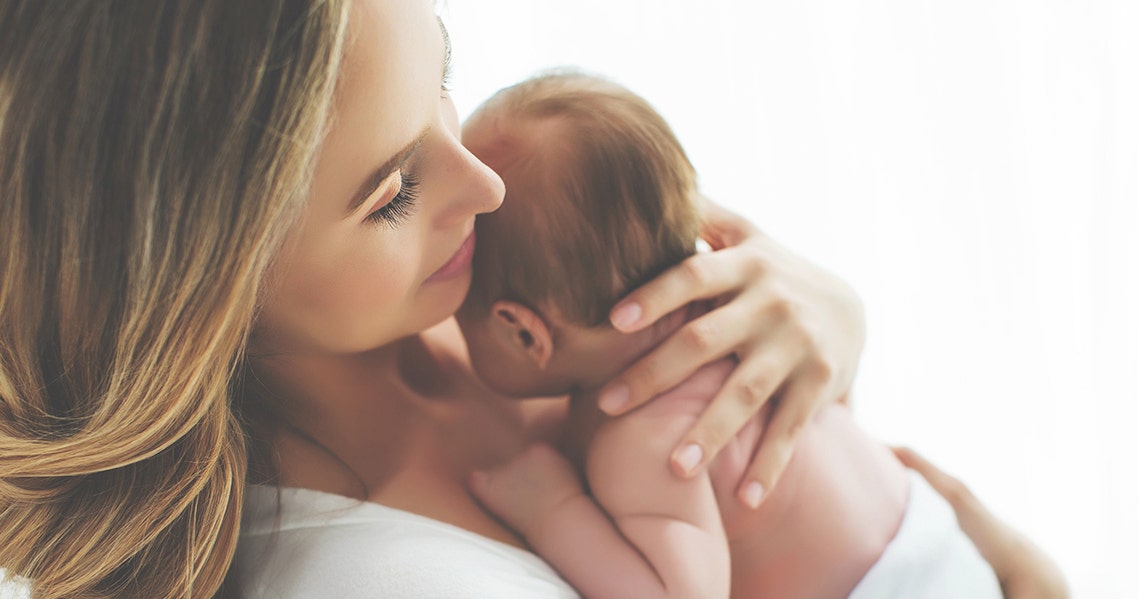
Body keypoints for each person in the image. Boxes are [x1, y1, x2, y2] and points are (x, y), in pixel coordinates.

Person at [0, 1, 1067, 598]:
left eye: (444, 82)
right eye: (393, 191)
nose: (487, 185)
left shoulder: (473, 277)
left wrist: (828, 321)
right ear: (199, 286)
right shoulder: (387, 577)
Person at [455, 71, 1003, 599]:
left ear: (523, 333)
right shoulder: (746, 311)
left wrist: (552, 509)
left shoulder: (643, 444)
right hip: (940, 542)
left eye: (460, 309)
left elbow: (684, 593)